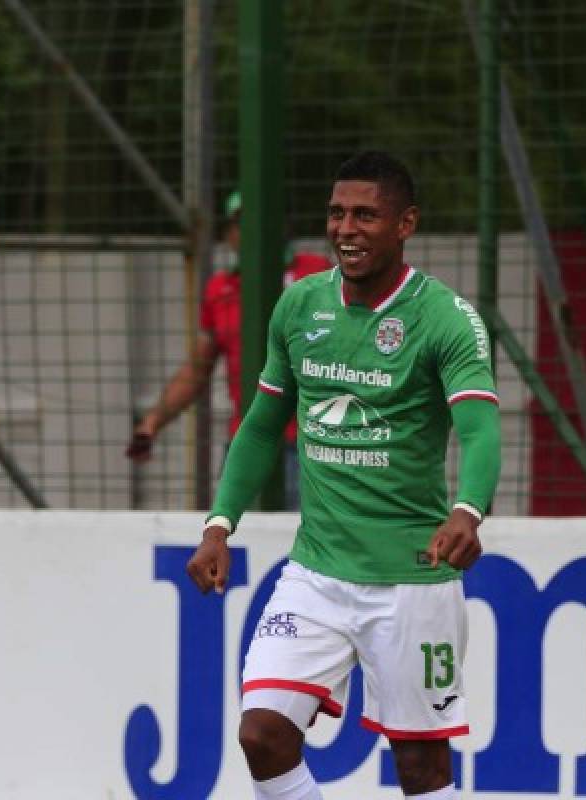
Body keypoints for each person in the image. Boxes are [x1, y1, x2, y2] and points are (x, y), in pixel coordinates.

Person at [185, 151, 501, 800]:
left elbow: (479, 429)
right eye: (336, 213)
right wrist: (219, 526)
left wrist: (468, 510)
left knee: (420, 770)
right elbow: (262, 424)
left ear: (405, 223)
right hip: (317, 573)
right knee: (261, 735)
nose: (346, 229)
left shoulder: (445, 318)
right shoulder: (300, 306)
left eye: (365, 215)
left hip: (411, 578)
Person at [125, 190, 331, 509]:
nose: (250, 232)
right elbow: (198, 368)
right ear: (229, 234)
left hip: (315, 441)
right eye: (240, 223)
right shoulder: (220, 288)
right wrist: (152, 422)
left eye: (261, 222)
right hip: (247, 439)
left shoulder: (318, 274)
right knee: (231, 530)